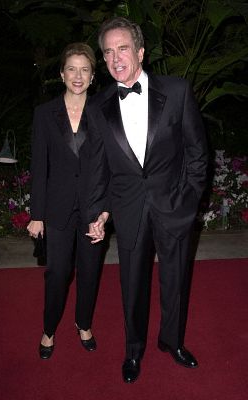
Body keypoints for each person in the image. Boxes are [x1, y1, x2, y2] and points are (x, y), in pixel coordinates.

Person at [86, 17, 208, 383]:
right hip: (129, 211)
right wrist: (99, 212)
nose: (115, 58)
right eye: (108, 51)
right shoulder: (99, 105)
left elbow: (197, 154)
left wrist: (188, 201)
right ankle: (133, 351)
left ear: (140, 51)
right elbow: (98, 168)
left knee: (175, 280)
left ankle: (172, 341)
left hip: (173, 206)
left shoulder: (176, 91)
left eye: (123, 48)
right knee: (132, 286)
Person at [27, 42, 106, 359]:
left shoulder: (103, 114)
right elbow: (39, 166)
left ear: (92, 76)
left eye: (84, 69)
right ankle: (49, 329)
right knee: (57, 273)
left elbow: (111, 166)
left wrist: (105, 211)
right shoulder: (45, 114)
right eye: (72, 68)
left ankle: (83, 323)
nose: (78, 75)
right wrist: (37, 213)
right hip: (57, 209)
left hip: (92, 208)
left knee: (89, 272)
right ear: (62, 73)